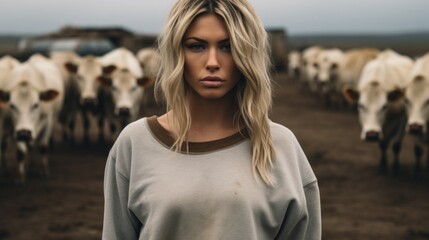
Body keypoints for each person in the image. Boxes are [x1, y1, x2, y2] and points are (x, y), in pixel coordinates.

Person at [102, 0, 321, 239]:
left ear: (247, 54)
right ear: (177, 52)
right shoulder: (136, 143)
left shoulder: (281, 146)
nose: (213, 63)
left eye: (228, 47)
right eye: (197, 46)